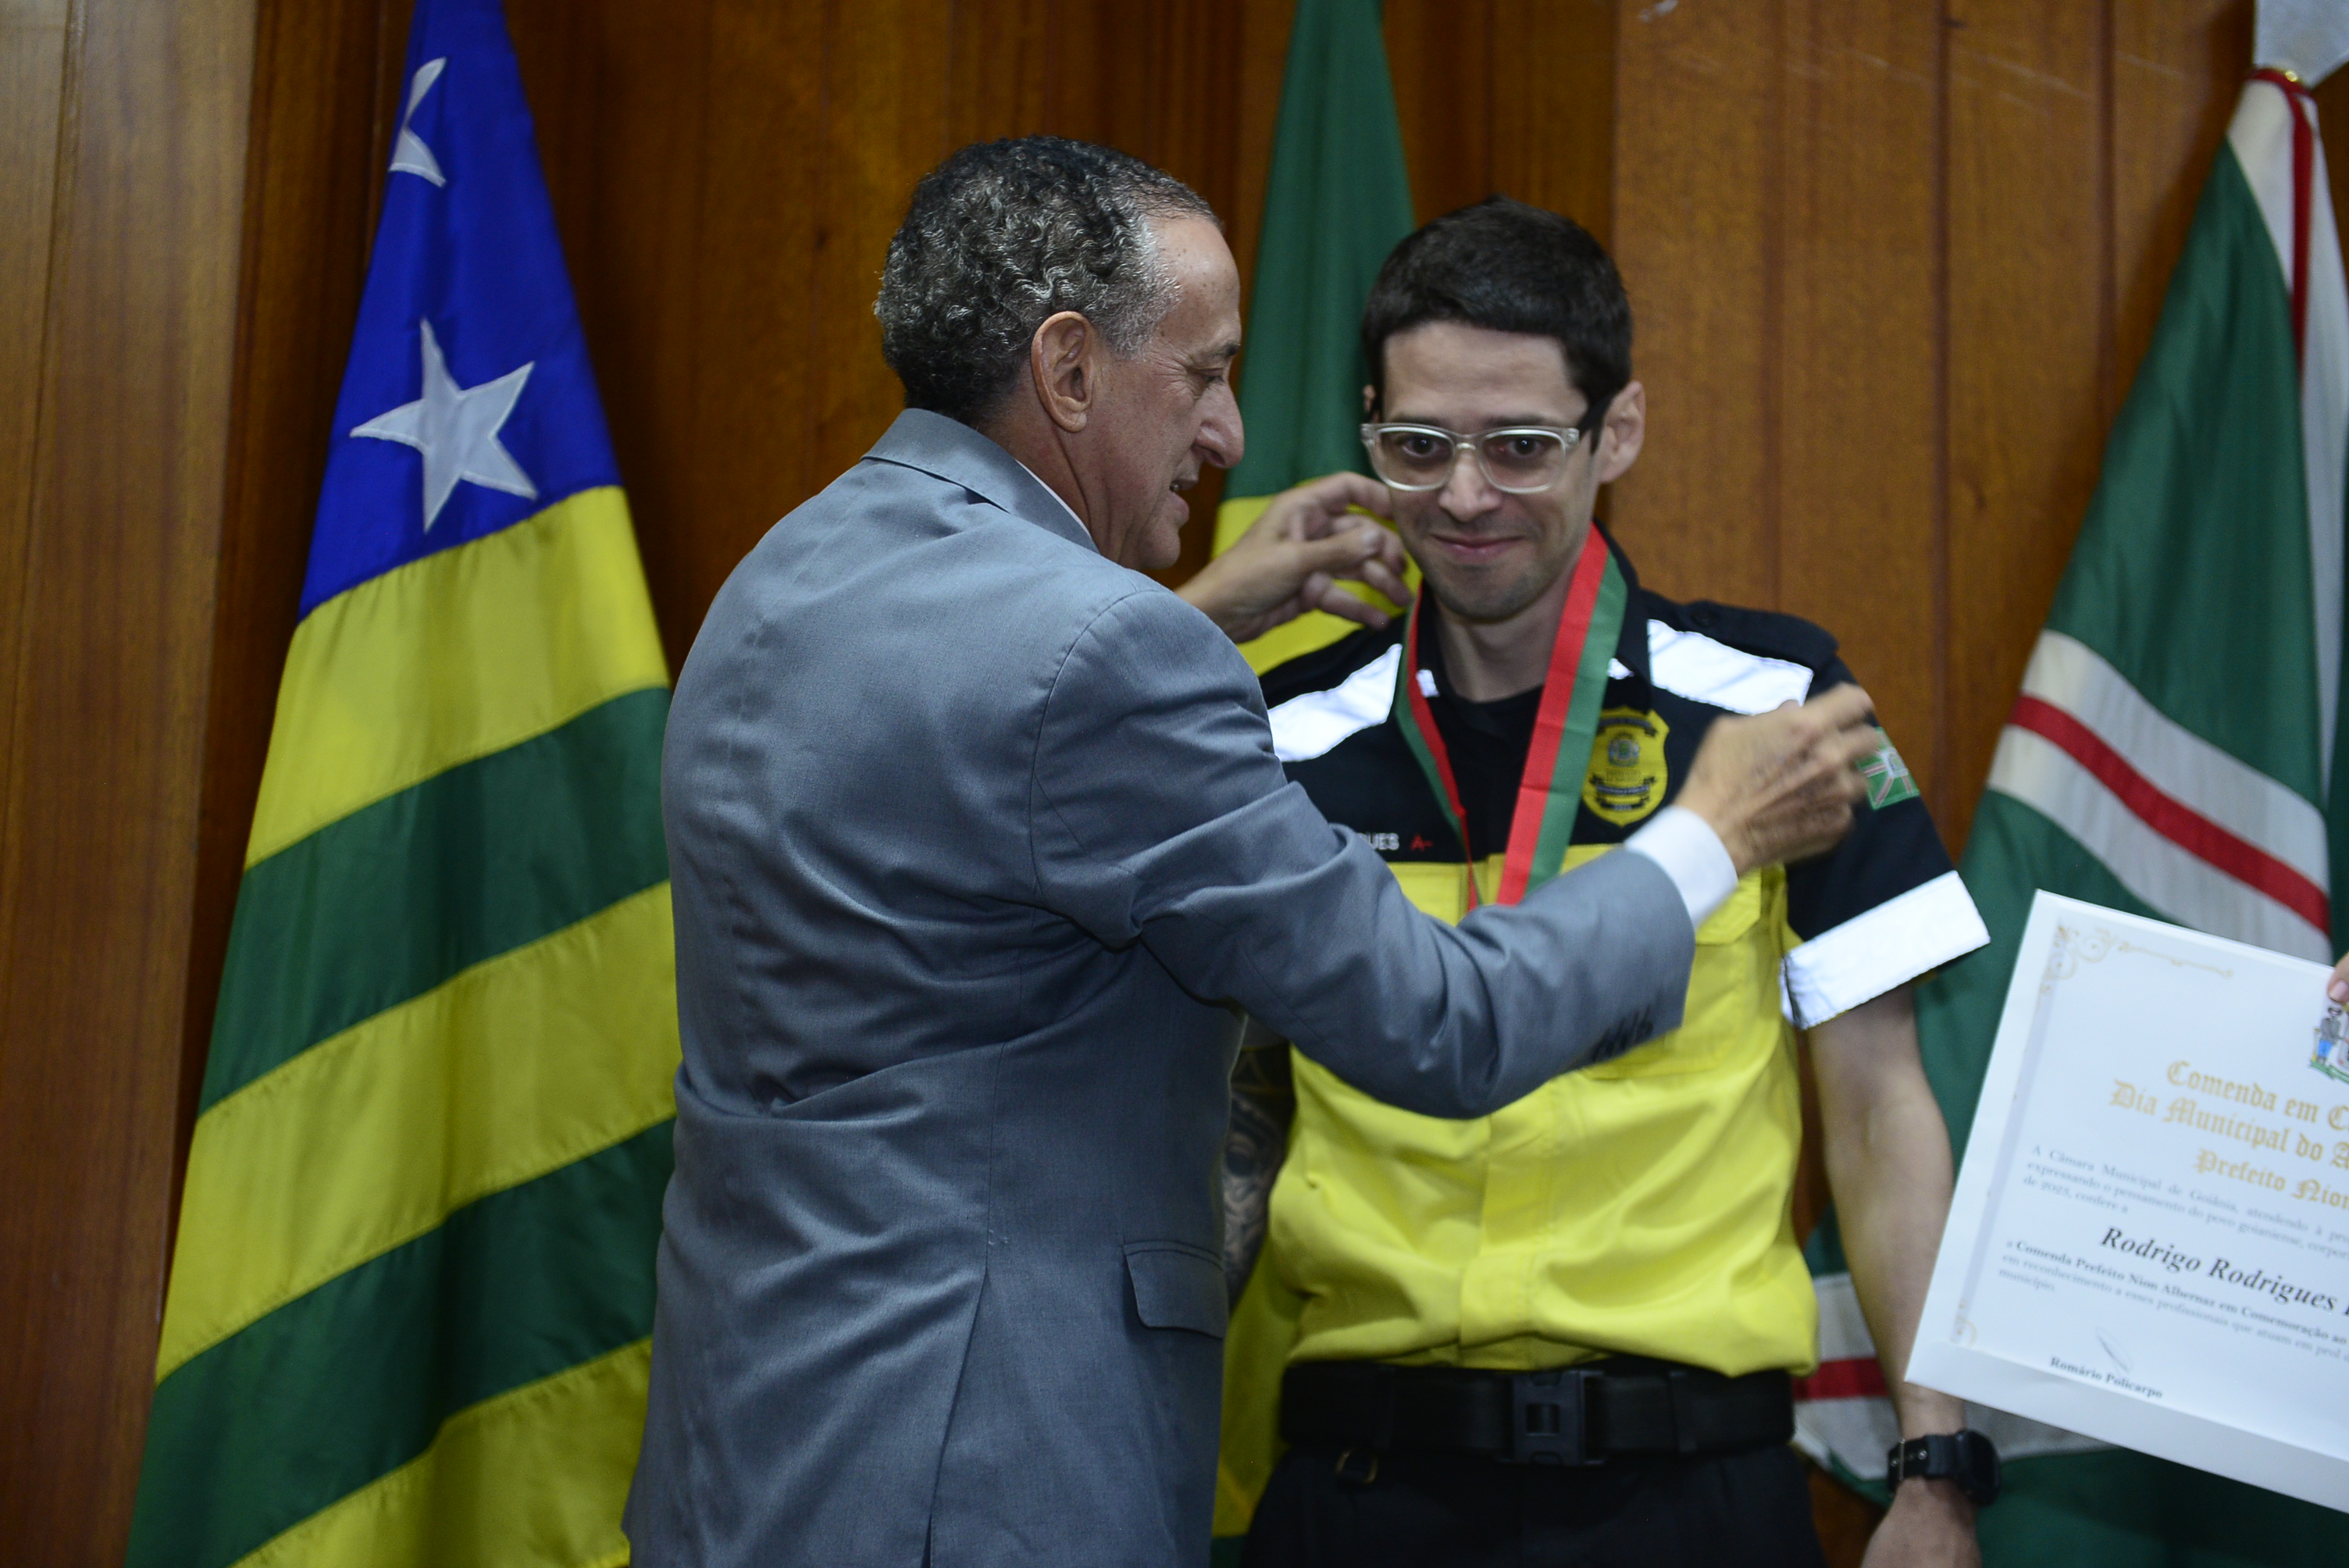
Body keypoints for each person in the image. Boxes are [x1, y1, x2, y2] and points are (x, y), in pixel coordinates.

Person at [625, 140, 1882, 1568]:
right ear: (1070, 370)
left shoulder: (782, 579)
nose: (1229, 433)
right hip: (983, 1462)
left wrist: (1198, 612)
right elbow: (1442, 1024)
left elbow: (973, 746)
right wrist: (1710, 836)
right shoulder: (1106, 658)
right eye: (1205, 372)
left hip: (754, 1445)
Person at [1217, 198, 1993, 1568]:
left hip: (1691, 1490)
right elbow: (1215, 1114)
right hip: (1362, 1485)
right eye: (1419, 446)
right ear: (1368, 430)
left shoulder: (1780, 710)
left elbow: (1880, 1113)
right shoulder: (1282, 738)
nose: (1466, 497)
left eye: (1521, 446)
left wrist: (1936, 1472)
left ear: (1615, 431)